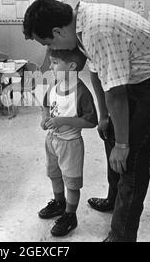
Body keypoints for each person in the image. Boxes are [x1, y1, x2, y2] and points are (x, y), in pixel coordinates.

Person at [23, 0, 150, 242]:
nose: (52, 54)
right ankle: (114, 199)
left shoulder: (96, 30)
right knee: (111, 131)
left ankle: (120, 237)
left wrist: (123, 145)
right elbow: (97, 73)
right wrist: (103, 117)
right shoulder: (79, 26)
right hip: (139, 77)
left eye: (48, 43)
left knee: (132, 159)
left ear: (57, 32)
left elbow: (117, 94)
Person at [39, 46, 97, 237]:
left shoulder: (81, 92)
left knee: (72, 183)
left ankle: (70, 215)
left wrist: (63, 121)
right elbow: (46, 104)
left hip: (71, 144)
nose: (50, 66)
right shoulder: (55, 84)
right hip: (52, 141)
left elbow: (91, 121)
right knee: (54, 175)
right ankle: (59, 203)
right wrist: (45, 118)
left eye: (55, 63)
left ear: (71, 66)